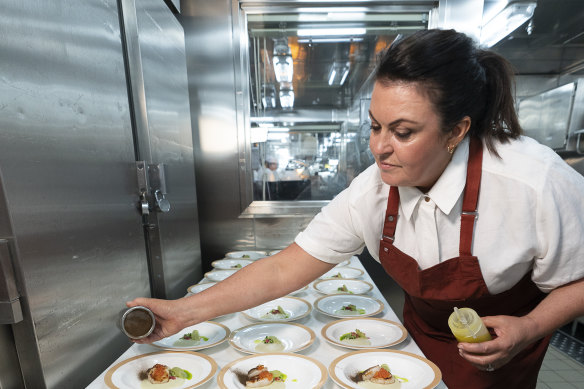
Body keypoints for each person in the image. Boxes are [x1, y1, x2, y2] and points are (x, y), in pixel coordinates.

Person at [127, 29, 584, 388]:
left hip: (501, 351)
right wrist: (182, 312)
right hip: (415, 343)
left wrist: (530, 326)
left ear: (456, 130)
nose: (380, 148)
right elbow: (283, 269)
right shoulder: (373, 191)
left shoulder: (532, 181)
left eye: (403, 132)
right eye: (375, 126)